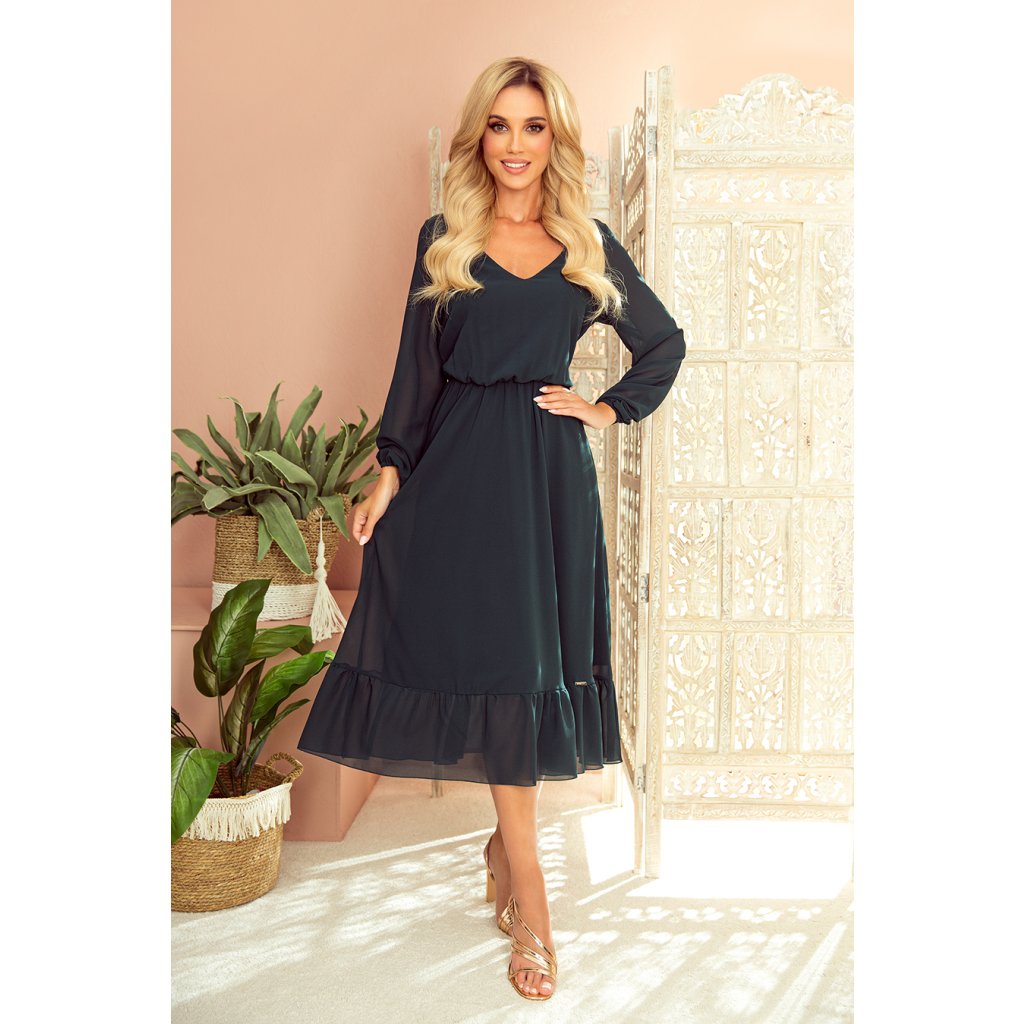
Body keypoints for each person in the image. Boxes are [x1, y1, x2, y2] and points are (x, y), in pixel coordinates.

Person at [297, 56, 686, 1002]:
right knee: (489, 662)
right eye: (501, 126)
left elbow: (663, 342)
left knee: (526, 669)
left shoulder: (586, 243)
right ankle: (523, 878)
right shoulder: (445, 241)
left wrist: (605, 408)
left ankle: (522, 877)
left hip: (547, 482)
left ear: (556, 140)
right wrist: (389, 471)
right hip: (456, 479)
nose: (516, 145)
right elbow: (416, 373)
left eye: (534, 126)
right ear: (480, 138)